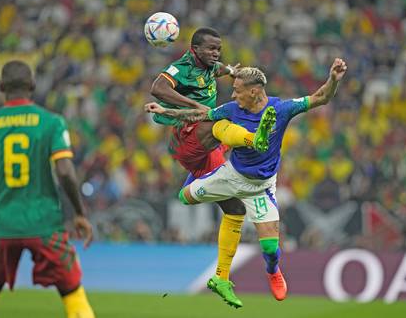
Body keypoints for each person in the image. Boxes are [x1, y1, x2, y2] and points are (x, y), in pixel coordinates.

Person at [145, 58, 348, 306]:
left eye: (237, 90)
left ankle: (273, 272)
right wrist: (166, 111)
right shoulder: (232, 109)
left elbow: (320, 98)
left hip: (260, 188)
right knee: (183, 197)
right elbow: (200, 114)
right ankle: (232, 154)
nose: (233, 94)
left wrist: (333, 80)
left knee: (271, 249)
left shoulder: (281, 109)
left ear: (254, 91)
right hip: (232, 176)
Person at [150, 26, 276, 307]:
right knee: (218, 122)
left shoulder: (211, 66)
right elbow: (157, 88)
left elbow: (218, 69)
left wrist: (230, 70)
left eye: (218, 48)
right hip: (189, 137)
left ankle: (220, 277)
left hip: (206, 147)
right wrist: (193, 106)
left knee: (235, 209)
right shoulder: (180, 67)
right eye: (210, 48)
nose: (216, 53)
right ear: (194, 49)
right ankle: (255, 140)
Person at [0, 60, 95, 318]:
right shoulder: (51, 123)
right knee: (72, 292)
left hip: (0, 225)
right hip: (43, 223)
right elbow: (65, 171)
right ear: (32, 86)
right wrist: (78, 213)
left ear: (1, 87)